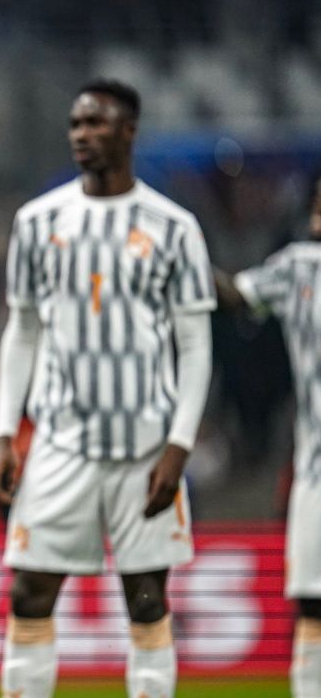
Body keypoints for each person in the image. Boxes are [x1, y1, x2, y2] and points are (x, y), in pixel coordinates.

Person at [0, 80, 215, 698]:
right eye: (76, 124)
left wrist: (179, 445)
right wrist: (6, 432)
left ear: (129, 131)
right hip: (61, 444)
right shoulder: (38, 221)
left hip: (145, 445)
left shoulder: (175, 227)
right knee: (29, 592)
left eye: (96, 123)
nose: (82, 135)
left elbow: (195, 345)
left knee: (146, 601)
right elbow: (23, 330)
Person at [215, 178, 321, 698]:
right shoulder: (300, 266)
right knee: (314, 607)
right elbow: (236, 294)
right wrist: (184, 257)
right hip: (317, 473)